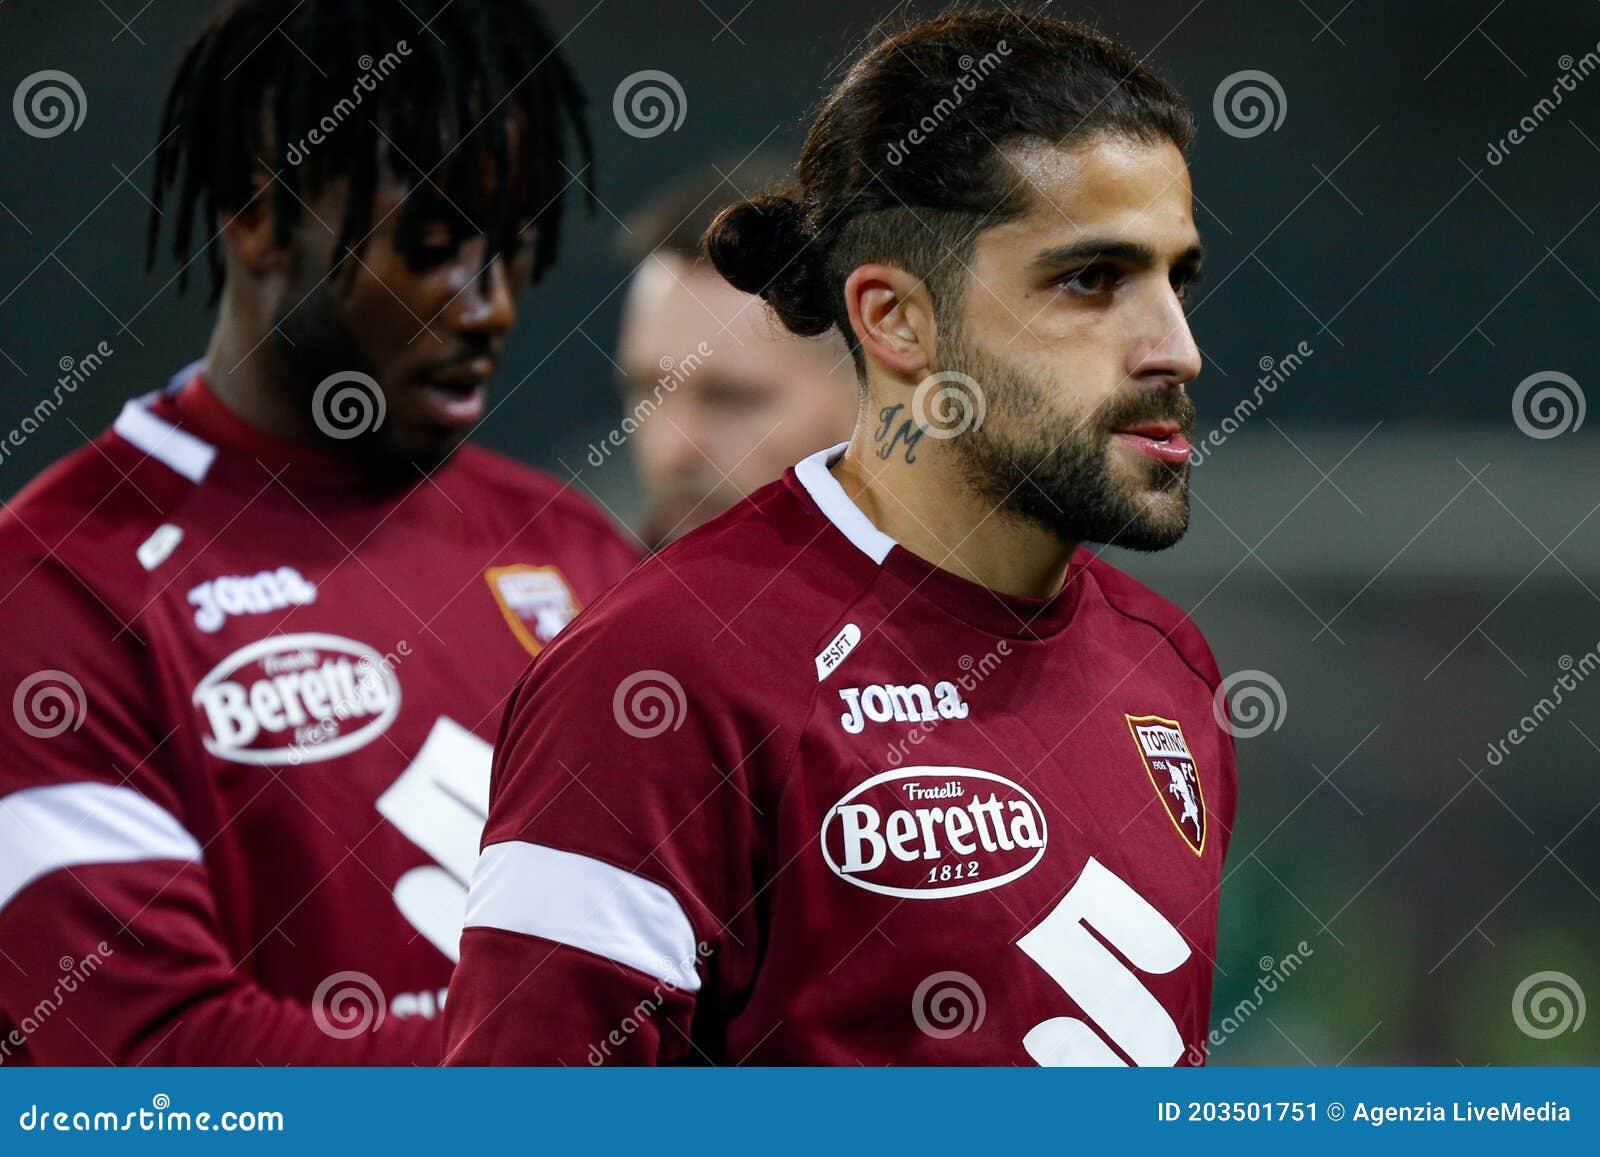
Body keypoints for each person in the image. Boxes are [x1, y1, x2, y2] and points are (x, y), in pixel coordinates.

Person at [445, 10, 1235, 1066]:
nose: (1172, 348)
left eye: (1173, 278)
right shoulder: (659, 677)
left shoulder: (1167, 670)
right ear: (896, 320)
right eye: (1089, 280)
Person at [0, 0, 635, 1065]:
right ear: (259, 216)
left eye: (513, 249)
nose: (489, 307)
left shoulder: (572, 548)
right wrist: (554, 1072)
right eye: (433, 246)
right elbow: (142, 1066)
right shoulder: (54, 586)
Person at [613, 158, 857, 550]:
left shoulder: (965, 602)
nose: (671, 449)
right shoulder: (588, 603)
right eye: (647, 391)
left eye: (731, 398)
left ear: (868, 397)